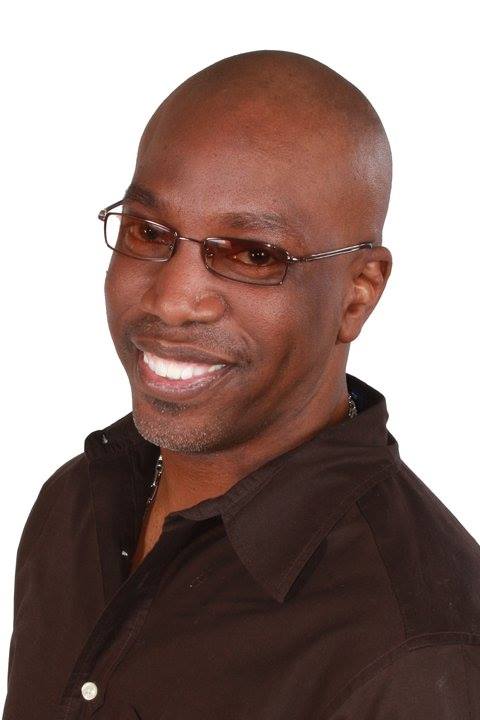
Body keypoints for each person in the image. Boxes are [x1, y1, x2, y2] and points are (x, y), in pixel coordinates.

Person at [3, 50, 479, 720]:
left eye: (254, 255)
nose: (173, 300)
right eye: (149, 232)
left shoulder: (417, 652)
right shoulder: (76, 503)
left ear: (358, 292)